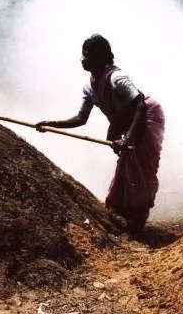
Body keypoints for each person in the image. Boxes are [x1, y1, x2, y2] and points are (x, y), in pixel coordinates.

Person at [36, 34, 165, 233]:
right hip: (124, 119)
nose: (82, 60)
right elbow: (81, 118)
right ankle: (125, 212)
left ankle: (137, 217)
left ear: (98, 58)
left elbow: (139, 104)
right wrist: (50, 124)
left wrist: (128, 137)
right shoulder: (89, 87)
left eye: (86, 56)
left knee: (139, 163)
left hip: (147, 115)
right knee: (127, 161)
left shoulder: (117, 78)